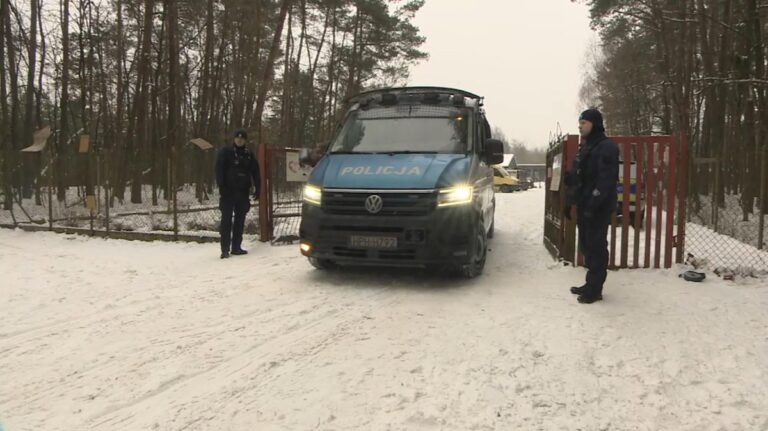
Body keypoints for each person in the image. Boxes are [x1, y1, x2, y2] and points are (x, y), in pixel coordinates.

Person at [564, 109, 619, 304]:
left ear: (594, 124)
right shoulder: (586, 147)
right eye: (579, 123)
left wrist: (593, 205)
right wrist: (570, 201)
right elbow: (580, 178)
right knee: (587, 247)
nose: (580, 126)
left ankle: (595, 290)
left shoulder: (607, 148)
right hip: (585, 205)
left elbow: (606, 181)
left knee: (596, 248)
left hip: (598, 208)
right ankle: (590, 284)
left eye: (584, 123)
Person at [215, 129, 260, 259]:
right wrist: (221, 185)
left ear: (245, 140)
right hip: (228, 192)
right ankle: (225, 249)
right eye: (237, 138)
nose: (239, 140)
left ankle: (236, 247)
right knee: (226, 220)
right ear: (234, 139)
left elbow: (255, 172)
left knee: (240, 221)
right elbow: (218, 168)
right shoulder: (226, 152)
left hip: (243, 192)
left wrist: (258, 188)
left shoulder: (248, 154)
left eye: (242, 138)